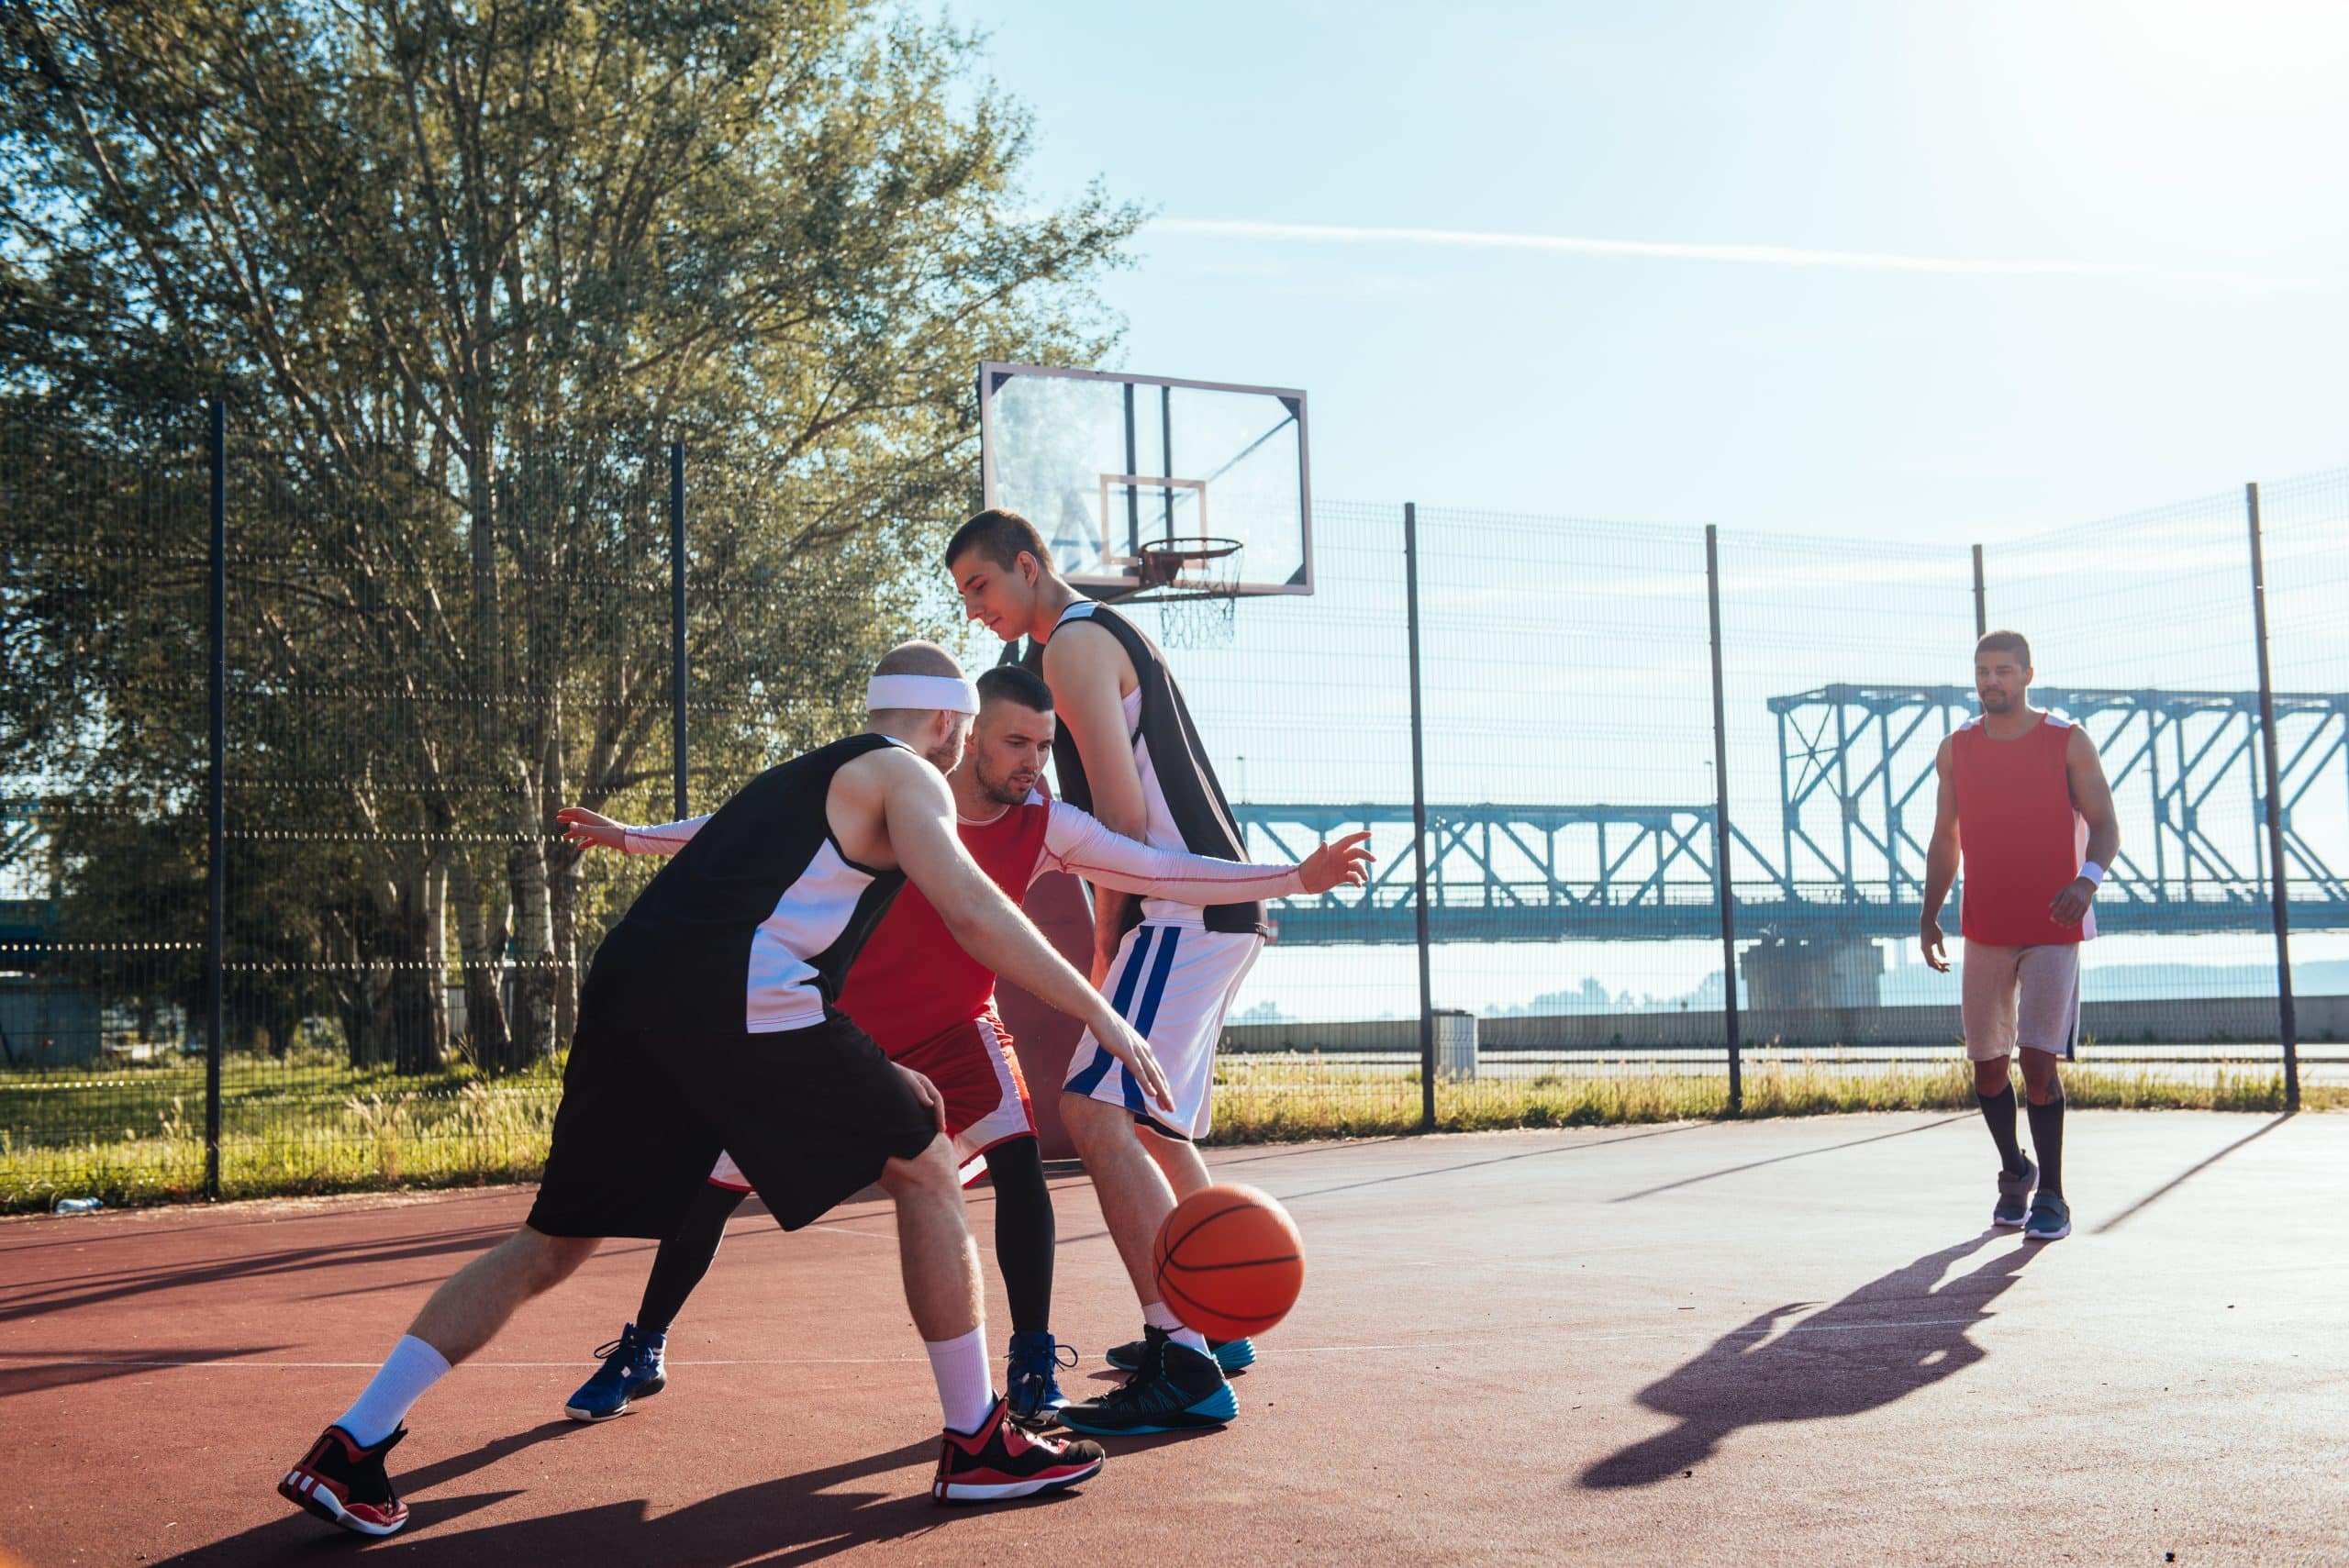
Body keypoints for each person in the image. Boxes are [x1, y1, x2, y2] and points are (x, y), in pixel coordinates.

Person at [276, 643, 1171, 1537]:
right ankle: (978, 1443)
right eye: (968, 727)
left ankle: (350, 1446)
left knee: (553, 1241)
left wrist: (862, 1062)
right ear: (947, 721)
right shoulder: (911, 777)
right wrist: (1103, 1013)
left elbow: (757, 923)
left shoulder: (796, 778)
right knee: (929, 1167)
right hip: (739, 995)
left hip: (635, 988)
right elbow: (974, 911)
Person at [553, 663, 1368, 1428]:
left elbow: (1158, 866)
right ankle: (644, 1344)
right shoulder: (896, 790)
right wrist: (632, 837)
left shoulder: (1048, 824)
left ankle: (1033, 1356)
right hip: (841, 1027)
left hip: (957, 1029)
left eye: (1046, 746)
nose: (1033, 763)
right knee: (718, 1182)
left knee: (1019, 1164)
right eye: (1018, 742)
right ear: (970, 733)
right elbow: (741, 834)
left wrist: (1292, 878)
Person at [946, 507, 1282, 1437]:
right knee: (1154, 1116)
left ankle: (1183, 1359)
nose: (974, 608)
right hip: (1212, 907)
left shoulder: (1072, 649)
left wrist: (1106, 948)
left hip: (1178, 911)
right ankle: (1218, 1314)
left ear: (1026, 565)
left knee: (1095, 1110)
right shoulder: (1108, 632)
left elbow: (1125, 827)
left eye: (979, 585)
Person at [1920, 629, 2120, 1243]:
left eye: (2003, 670)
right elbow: (1946, 837)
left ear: (2028, 674)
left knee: (2038, 1061)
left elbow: (2107, 823)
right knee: (1986, 1068)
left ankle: (2053, 1195)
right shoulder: (1956, 749)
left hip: (2055, 924)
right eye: (1982, 671)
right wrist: (1929, 914)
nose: (1990, 681)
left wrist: (2087, 882)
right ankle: (2015, 1168)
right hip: (1984, 925)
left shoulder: (2067, 741)